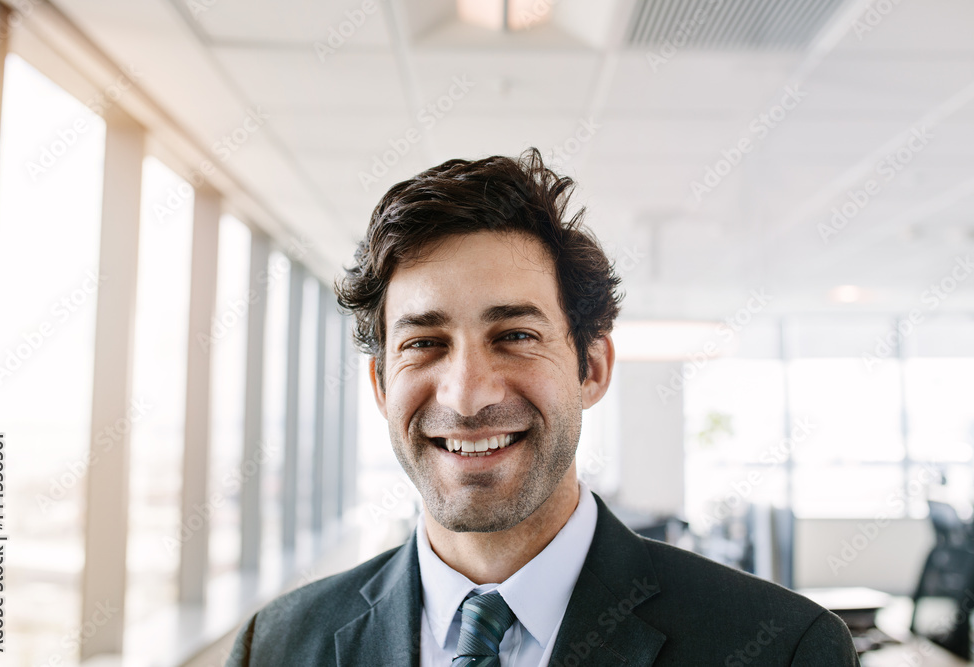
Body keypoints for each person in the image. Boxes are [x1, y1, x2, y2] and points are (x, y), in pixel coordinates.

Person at [226, 148, 860, 666]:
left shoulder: (782, 648)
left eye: (516, 336)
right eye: (424, 343)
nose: (468, 394)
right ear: (381, 386)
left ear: (592, 367)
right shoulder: (277, 646)